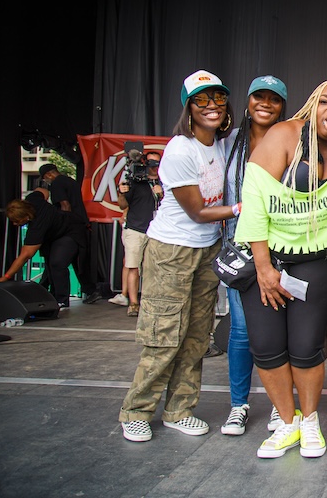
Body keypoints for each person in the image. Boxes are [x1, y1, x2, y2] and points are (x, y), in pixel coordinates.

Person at [233, 79, 327, 460]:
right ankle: (287, 421)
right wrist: (263, 267)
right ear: (311, 105)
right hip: (268, 255)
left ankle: (310, 420)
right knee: (266, 347)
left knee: (304, 347)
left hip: (318, 259)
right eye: (325, 103)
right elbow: (254, 199)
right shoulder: (284, 135)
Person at [119, 69, 238, 443]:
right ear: (188, 108)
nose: (211, 106)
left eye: (218, 98)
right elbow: (199, 212)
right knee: (163, 335)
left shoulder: (222, 144)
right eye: (201, 100)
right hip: (171, 251)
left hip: (207, 251)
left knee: (196, 337)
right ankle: (136, 411)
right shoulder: (179, 150)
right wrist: (243, 208)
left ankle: (178, 410)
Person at [219, 75, 287, 436]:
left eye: (273, 99)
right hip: (241, 250)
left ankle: (281, 406)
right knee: (243, 329)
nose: (265, 103)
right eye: (258, 96)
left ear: (282, 106)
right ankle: (239, 406)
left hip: (282, 248)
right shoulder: (228, 143)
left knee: (281, 329)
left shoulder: (293, 141)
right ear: (247, 101)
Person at [0, 187, 88, 310]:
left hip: (70, 230)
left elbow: (25, 255)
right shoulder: (32, 199)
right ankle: (53, 295)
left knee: (57, 263)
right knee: (50, 265)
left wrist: (6, 277)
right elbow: (43, 190)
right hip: (54, 234)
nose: (14, 224)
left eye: (16, 221)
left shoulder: (36, 227)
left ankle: (62, 300)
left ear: (26, 217)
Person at [38, 163, 100, 304]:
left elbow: (65, 205)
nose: (46, 182)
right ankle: (90, 290)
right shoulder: (70, 180)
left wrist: (63, 224)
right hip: (80, 226)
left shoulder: (57, 183)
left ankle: (59, 297)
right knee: (78, 261)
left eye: (45, 179)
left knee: (57, 262)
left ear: (48, 175)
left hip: (70, 228)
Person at [113, 152, 163, 316]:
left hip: (156, 231)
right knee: (133, 266)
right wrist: (121, 192)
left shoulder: (165, 181)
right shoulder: (135, 181)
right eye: (151, 164)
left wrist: (161, 193)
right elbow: (122, 205)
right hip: (135, 229)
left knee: (153, 268)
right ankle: (133, 303)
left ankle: (149, 301)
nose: (154, 168)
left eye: (157, 164)